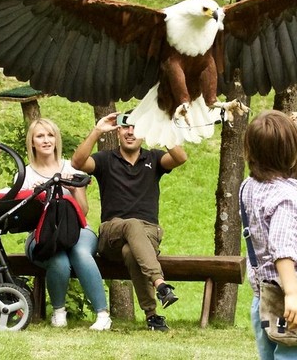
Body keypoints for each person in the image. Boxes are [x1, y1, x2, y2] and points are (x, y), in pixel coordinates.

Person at [71, 112, 187, 331]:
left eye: (137, 127)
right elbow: (77, 162)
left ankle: (152, 316)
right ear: (118, 131)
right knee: (132, 223)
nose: (131, 132)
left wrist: (161, 131)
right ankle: (160, 284)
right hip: (111, 233)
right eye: (126, 127)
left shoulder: (154, 158)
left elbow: (181, 158)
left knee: (131, 252)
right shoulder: (105, 159)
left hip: (146, 235)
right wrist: (97, 131)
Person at [240, 110, 297, 360]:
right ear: (292, 152)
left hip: (262, 300)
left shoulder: (248, 188)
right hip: (288, 302)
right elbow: (281, 248)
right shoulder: (285, 199)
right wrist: (293, 295)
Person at [21, 118, 111, 331]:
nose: (46, 140)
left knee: (80, 253)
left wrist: (74, 187)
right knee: (58, 260)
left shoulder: (71, 167)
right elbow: (25, 220)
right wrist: (33, 196)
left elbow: (84, 211)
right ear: (32, 142)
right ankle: (59, 312)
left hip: (77, 230)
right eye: (40, 136)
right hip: (43, 235)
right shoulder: (25, 174)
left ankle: (102, 315)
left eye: (50, 135)